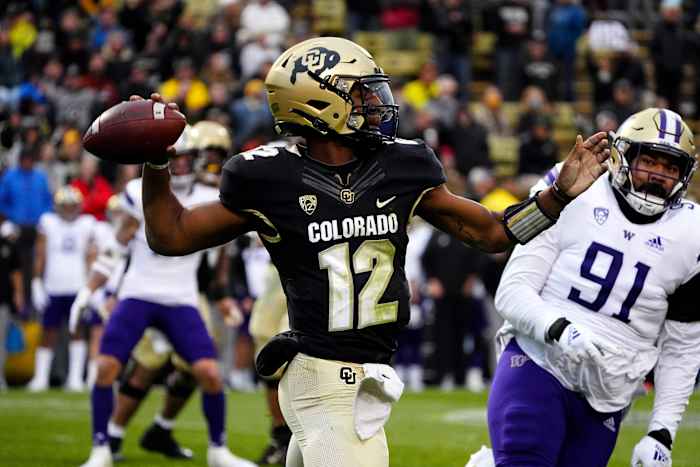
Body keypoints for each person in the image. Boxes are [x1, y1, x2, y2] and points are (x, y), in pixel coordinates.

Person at [135, 37, 610, 467]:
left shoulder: (402, 165)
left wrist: (556, 198)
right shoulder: (268, 176)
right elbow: (171, 235)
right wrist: (156, 162)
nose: (375, 102)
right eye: (358, 92)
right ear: (318, 102)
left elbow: (492, 235)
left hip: (366, 370)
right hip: (323, 373)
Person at [488, 108, 699, 467]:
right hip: (539, 362)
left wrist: (662, 431)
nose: (658, 176)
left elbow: (683, 347)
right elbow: (512, 290)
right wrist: (560, 330)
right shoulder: (574, 188)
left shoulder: (691, 233)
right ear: (622, 157)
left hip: (610, 390)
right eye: (649, 161)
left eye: (670, 168)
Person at [78, 150, 255, 467]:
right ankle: (101, 448)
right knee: (105, 367)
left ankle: (218, 450)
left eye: (187, 158)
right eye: (175, 158)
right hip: (138, 292)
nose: (181, 164)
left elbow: (222, 254)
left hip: (181, 296)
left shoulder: (209, 194)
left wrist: (222, 295)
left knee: (210, 373)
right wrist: (89, 289)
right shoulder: (138, 191)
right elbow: (116, 245)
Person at [27, 186, 96, 392]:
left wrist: (90, 287)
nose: (68, 209)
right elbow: (40, 255)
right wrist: (36, 282)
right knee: (48, 332)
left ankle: (75, 378)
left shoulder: (87, 224)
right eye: (64, 205)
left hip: (77, 285)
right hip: (53, 285)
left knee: (77, 331)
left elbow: (91, 257)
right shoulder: (48, 223)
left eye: (71, 205)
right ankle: (40, 378)